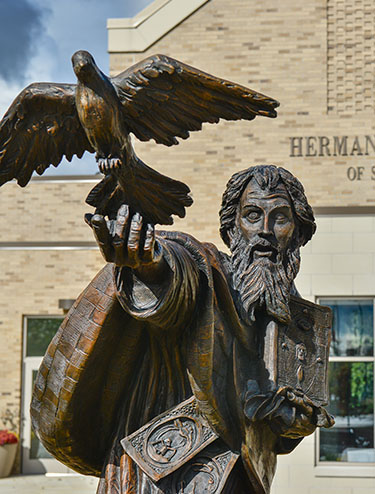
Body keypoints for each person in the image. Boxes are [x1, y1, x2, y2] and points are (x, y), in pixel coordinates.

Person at [31, 165, 333, 494]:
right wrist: (149, 263)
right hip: (161, 471)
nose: (265, 230)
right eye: (252, 215)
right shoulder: (209, 273)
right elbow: (178, 276)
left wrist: (294, 424)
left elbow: (280, 432)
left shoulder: (299, 320)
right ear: (232, 229)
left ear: (298, 232)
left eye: (280, 218)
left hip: (241, 479)